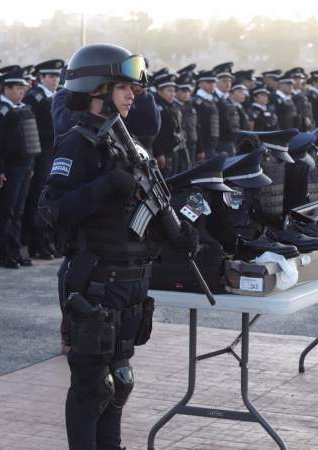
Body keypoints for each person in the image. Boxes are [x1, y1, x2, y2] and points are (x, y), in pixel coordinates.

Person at [39, 43, 198, 450]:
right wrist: (104, 185)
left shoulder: (133, 148)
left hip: (130, 282)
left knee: (119, 381)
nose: (133, 95)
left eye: (133, 88)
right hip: (96, 282)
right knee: (92, 386)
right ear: (96, 88)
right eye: (123, 87)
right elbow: (52, 214)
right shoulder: (78, 144)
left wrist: (179, 234)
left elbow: (149, 210)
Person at [0, 68, 41, 269]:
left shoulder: (23, 109)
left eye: (23, 88)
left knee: (18, 211)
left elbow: (30, 141)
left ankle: (16, 251)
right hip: (10, 168)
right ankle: (5, 254)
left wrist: (31, 166)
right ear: (7, 89)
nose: (21, 92)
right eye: (18, 88)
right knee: (7, 211)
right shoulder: (1, 111)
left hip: (25, 166)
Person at [23, 58, 65, 260]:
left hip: (54, 151)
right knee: (38, 199)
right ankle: (36, 243)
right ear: (41, 77)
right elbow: (31, 130)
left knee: (51, 198)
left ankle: (47, 241)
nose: (55, 79)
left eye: (57, 76)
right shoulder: (35, 97)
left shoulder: (57, 96)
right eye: (51, 76)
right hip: (40, 152)